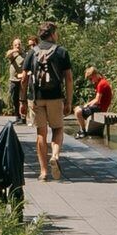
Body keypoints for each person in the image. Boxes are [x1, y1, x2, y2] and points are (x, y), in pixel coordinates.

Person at [21, 22, 77, 177]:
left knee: (41, 132)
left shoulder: (32, 52)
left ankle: (43, 171)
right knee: (58, 129)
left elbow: (24, 78)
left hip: (37, 98)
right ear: (52, 34)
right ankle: (55, 155)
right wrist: (69, 101)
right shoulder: (61, 52)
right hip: (55, 97)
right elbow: (69, 78)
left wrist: (22, 100)